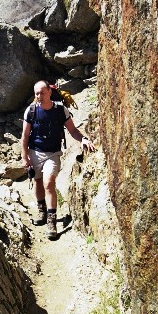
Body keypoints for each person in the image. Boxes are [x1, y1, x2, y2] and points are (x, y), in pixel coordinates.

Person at [21, 80, 95, 240]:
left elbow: (72, 130)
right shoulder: (31, 111)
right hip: (34, 152)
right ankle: (42, 211)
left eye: (41, 92)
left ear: (49, 92)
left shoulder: (61, 110)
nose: (39, 96)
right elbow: (25, 135)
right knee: (38, 182)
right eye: (36, 93)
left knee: (48, 183)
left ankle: (51, 221)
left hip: (53, 153)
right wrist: (24, 157)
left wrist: (83, 139)